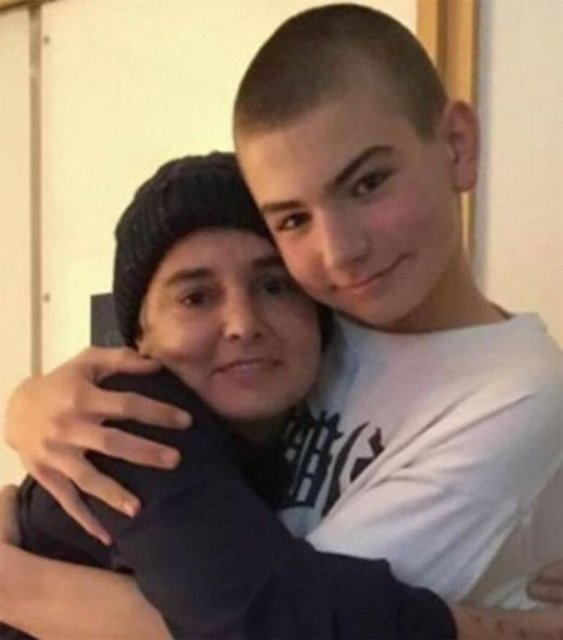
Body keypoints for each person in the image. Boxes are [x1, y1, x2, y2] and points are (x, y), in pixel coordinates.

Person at [2, 4, 563, 639]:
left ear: (457, 146)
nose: (339, 252)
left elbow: (275, 621)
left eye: (368, 183)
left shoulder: (515, 392)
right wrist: (25, 405)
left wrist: (20, 586)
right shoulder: (314, 334)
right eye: (294, 219)